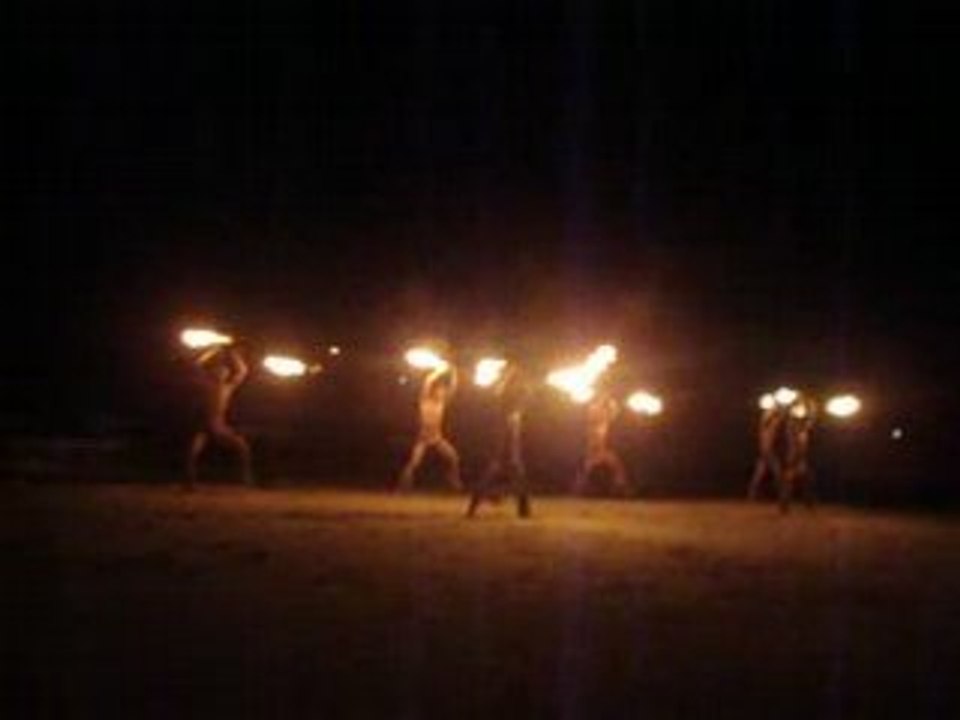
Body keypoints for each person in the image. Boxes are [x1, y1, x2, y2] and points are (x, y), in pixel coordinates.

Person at [185, 344, 254, 489]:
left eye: (225, 371)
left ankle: (245, 479)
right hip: (203, 424)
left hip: (218, 425)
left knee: (242, 447)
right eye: (219, 370)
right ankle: (190, 482)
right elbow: (195, 364)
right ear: (212, 373)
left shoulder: (228, 388)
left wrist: (234, 355)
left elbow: (243, 371)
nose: (223, 373)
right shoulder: (205, 384)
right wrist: (213, 350)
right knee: (192, 452)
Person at [467, 365, 532, 518]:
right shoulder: (512, 414)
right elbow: (511, 436)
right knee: (516, 481)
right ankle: (523, 511)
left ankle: (523, 511)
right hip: (505, 454)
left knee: (516, 481)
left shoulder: (506, 404)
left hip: (503, 453)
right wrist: (512, 456)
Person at [397, 364, 462, 491]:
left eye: (443, 391)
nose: (442, 392)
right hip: (423, 438)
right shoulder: (425, 399)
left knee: (453, 457)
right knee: (414, 464)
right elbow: (429, 381)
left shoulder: (441, 403)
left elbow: (452, 389)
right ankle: (403, 485)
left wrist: (453, 372)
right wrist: (439, 370)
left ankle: (454, 482)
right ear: (434, 390)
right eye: (440, 390)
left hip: (437, 438)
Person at [574, 390, 629, 496]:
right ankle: (579, 490)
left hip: (601, 447)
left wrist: (611, 402)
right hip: (594, 447)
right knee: (586, 469)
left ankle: (621, 489)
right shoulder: (594, 411)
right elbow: (594, 415)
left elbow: (614, 413)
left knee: (616, 467)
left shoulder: (605, 416)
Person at [780, 395, 817, 513]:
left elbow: (810, 421)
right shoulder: (792, 424)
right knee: (791, 479)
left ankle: (807, 504)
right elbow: (795, 438)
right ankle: (785, 505)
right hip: (794, 454)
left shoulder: (802, 425)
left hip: (801, 455)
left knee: (806, 479)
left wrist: (812, 408)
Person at [747, 401, 787, 501]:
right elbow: (770, 418)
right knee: (763, 475)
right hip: (766, 453)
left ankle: (782, 496)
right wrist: (775, 409)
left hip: (770, 453)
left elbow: (780, 419)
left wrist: (780, 408)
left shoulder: (772, 425)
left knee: (775, 474)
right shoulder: (765, 427)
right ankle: (753, 494)